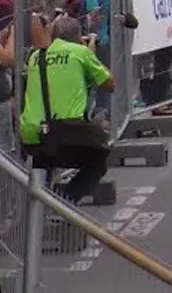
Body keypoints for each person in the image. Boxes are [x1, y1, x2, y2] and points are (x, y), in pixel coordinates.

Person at [19, 13, 115, 205]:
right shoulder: (80, 53)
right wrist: (90, 52)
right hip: (66, 133)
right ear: (78, 37)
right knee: (97, 162)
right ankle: (65, 202)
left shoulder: (35, 55)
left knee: (44, 162)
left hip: (31, 133)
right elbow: (109, 84)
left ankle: (38, 212)